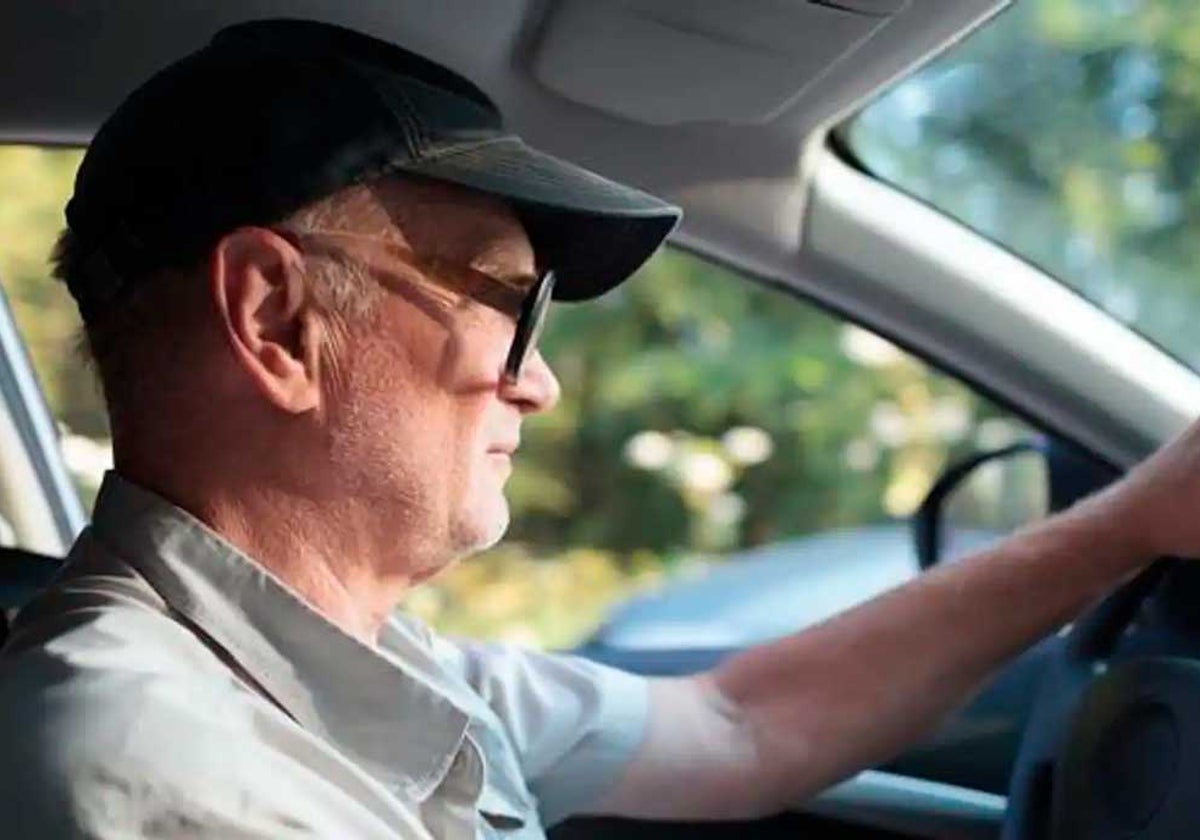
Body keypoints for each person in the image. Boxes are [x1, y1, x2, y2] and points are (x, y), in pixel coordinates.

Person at [0, 16, 1197, 840]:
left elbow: (738, 725)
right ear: (276, 321)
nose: (543, 386)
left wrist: (1135, 520)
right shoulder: (148, 766)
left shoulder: (355, 669)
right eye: (513, 307)